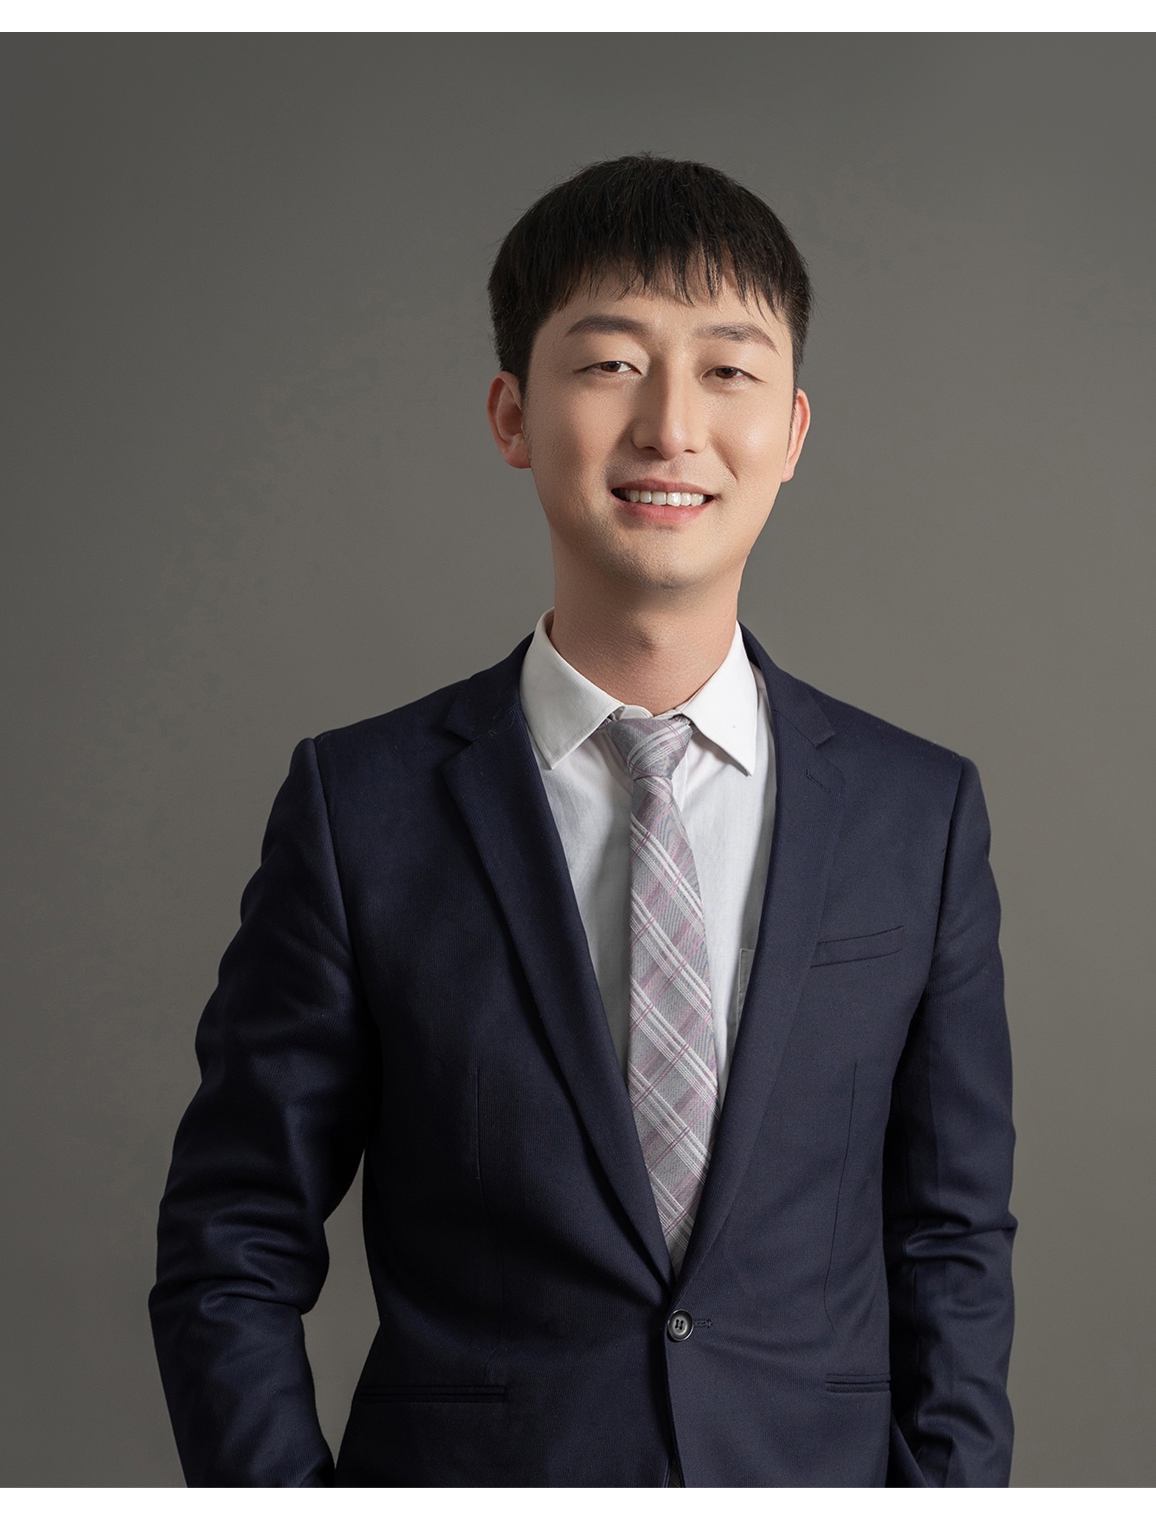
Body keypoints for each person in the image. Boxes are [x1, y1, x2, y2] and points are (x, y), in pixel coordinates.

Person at [148, 156, 1015, 1486]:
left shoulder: (919, 812)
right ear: (513, 413)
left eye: (727, 371)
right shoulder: (359, 807)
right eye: (611, 364)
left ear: (791, 431)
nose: (671, 426)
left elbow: (949, 1245)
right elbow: (231, 1241)